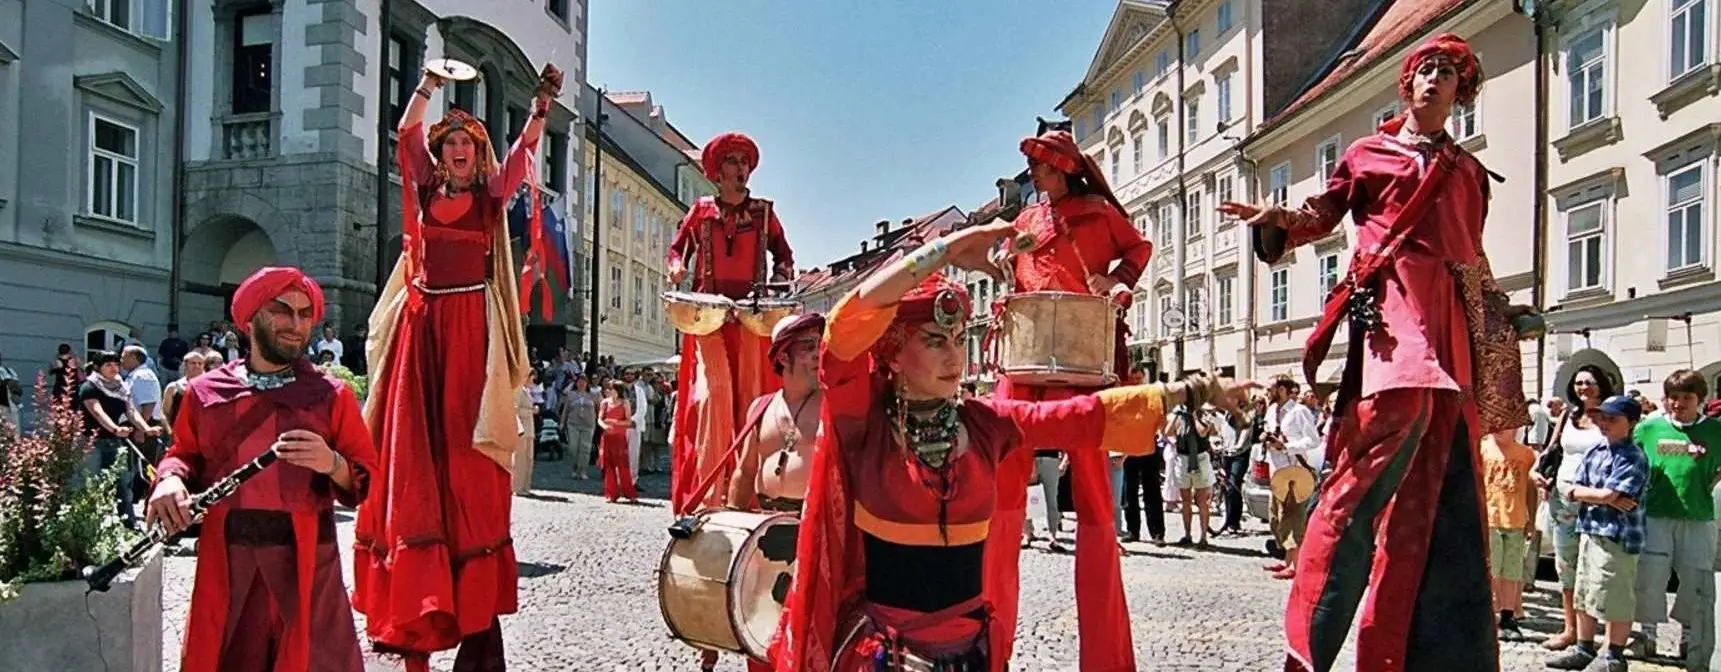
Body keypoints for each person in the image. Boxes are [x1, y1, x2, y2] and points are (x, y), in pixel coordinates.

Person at [771, 222, 1253, 672]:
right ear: (892, 352)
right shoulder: (863, 425)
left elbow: (1080, 418)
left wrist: (1191, 390)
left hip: (974, 652)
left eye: (960, 340)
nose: (956, 355)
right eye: (936, 341)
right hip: (883, 656)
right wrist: (955, 247)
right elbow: (846, 323)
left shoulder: (986, 423)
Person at [1220, 34, 1535, 670]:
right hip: (1394, 316)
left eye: (1447, 73)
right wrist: (1278, 215)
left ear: (1459, 92)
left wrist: (1499, 323)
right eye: (1424, 69)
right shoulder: (1369, 152)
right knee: (1384, 443)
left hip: (1450, 323)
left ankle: (1418, 654)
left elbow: (1475, 261)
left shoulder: (1472, 173)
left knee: (1443, 490)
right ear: (1408, 82)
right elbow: (1325, 212)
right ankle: (1308, 639)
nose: (1433, 80)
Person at [354, 60, 564, 672]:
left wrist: (540, 108)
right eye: (450, 145)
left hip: (471, 330)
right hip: (422, 328)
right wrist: (427, 85)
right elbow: (404, 134)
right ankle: (413, 613)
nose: (458, 152)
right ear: (441, 156)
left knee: (467, 460)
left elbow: (525, 156)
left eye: (467, 144)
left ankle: (471, 612)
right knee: (414, 456)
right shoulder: (422, 187)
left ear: (478, 155)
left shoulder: (491, 198)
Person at [147, 266, 378, 672]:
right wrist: (169, 480)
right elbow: (184, 454)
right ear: (251, 318)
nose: (296, 324)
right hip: (230, 559)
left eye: (305, 314)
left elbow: (366, 478)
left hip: (308, 560)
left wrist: (332, 463)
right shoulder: (205, 393)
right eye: (282, 311)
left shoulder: (331, 395)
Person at [984, 128, 1153, 668]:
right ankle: (989, 649)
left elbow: (1139, 248)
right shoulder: (1027, 221)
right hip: (1024, 359)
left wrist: (1119, 282)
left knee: (1097, 504)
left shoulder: (1098, 213)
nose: (1034, 176)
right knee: (1003, 498)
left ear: (1062, 167)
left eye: (1041, 167)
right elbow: (1017, 270)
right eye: (1034, 167)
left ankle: (1106, 659)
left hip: (1080, 360)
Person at [665, 131, 796, 516]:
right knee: (714, 394)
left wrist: (784, 270)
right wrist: (676, 266)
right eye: (733, 163)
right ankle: (709, 491)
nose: (741, 170)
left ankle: (746, 487)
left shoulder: (764, 213)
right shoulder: (701, 210)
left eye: (744, 163)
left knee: (750, 398)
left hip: (750, 315)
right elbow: (678, 248)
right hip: (710, 316)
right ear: (717, 173)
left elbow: (783, 252)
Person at [1546, 395, 1649, 672]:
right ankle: (1583, 647)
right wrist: (1600, 497)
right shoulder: (1596, 451)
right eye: (1602, 417)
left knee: (1614, 595)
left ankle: (1614, 654)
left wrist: (1600, 496)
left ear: (1631, 423)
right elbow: (1572, 488)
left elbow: (1608, 493)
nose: (1604, 423)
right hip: (1590, 529)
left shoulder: (1633, 456)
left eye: (1613, 418)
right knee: (1584, 591)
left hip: (1618, 535)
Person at [1629, 370, 1721, 669]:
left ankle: (1690, 638)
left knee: (1695, 579)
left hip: (1697, 516)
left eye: (1686, 398)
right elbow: (1633, 461)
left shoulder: (1715, 431)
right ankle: (1647, 635)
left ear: (1700, 400)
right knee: (1650, 576)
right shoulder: (1649, 428)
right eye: (1673, 397)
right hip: (1656, 514)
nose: (1679, 403)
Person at [78, 349, 159, 529]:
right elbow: (97, 412)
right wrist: (115, 428)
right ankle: (92, 526)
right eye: (109, 365)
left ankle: (129, 524)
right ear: (99, 367)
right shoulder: (89, 387)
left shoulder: (121, 387)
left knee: (122, 482)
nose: (114, 368)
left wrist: (147, 429)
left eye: (116, 364)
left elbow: (130, 412)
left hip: (113, 441)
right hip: (91, 442)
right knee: (93, 482)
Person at [1480, 428, 1537, 641]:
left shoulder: (1526, 454)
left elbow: (1531, 488)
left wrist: (1530, 517)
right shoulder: (1482, 449)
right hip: (1490, 518)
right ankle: (1490, 613)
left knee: (1512, 571)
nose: (1498, 429)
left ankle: (1508, 614)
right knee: (1492, 569)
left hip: (1516, 519)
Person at [598, 381, 638, 503]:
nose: (609, 391)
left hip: (619, 437)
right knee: (608, 466)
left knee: (623, 465)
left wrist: (615, 422)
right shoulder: (605, 403)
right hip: (607, 437)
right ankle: (611, 493)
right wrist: (604, 426)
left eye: (612, 389)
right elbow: (600, 419)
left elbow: (628, 421)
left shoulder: (625, 403)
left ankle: (629, 493)